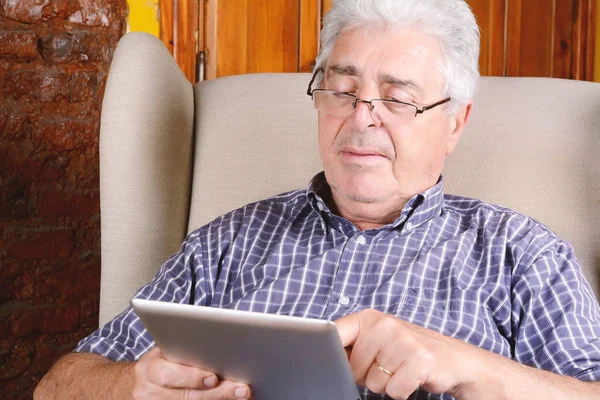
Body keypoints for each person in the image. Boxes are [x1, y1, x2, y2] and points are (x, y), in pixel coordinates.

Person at [35, 0, 600, 399]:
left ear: (455, 123)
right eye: (342, 89)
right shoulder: (229, 242)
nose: (361, 116)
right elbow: (59, 384)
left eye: (397, 97)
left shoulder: (523, 254)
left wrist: (466, 367)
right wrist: (129, 386)